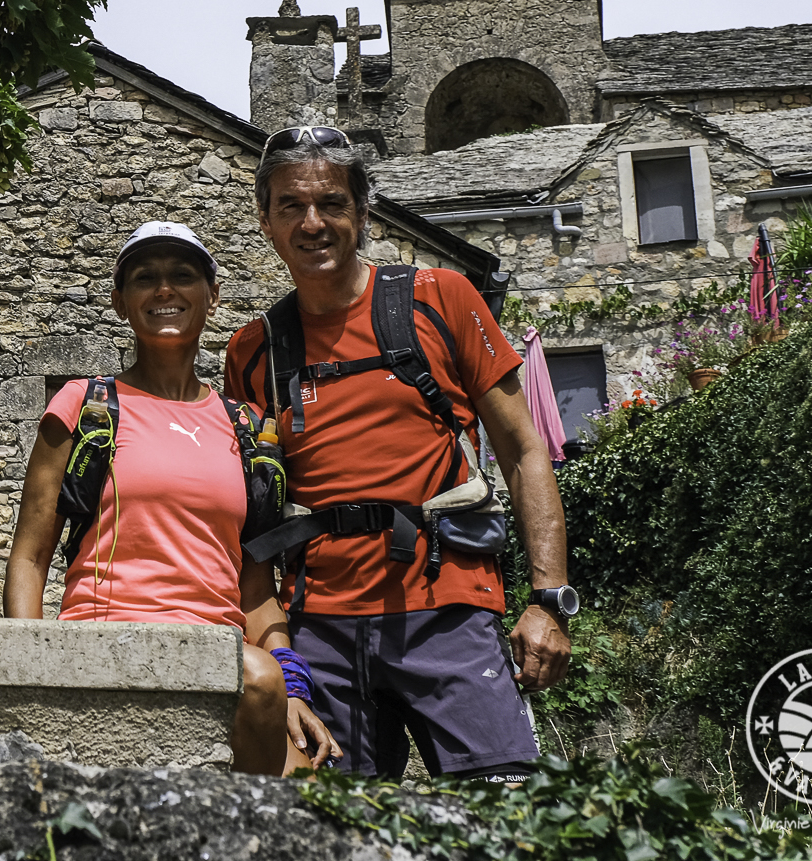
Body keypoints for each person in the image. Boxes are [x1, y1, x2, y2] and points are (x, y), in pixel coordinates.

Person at [224, 125, 574, 782]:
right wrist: (277, 651)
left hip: (449, 611)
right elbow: (252, 514)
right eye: (290, 206)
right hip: (320, 629)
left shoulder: (440, 299)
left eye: (331, 202)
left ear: (363, 210)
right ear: (265, 219)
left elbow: (526, 448)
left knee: (507, 813)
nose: (312, 221)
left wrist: (549, 599)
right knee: (338, 834)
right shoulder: (253, 351)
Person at [5, 221, 340, 775]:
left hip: (226, 662)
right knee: (259, 684)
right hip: (106, 638)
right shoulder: (85, 405)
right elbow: (30, 554)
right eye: (145, 278)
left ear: (212, 294)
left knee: (310, 784)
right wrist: (27, 665)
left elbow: (255, 587)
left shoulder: (246, 428)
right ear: (120, 301)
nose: (164, 290)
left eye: (182, 276)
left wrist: (294, 688)